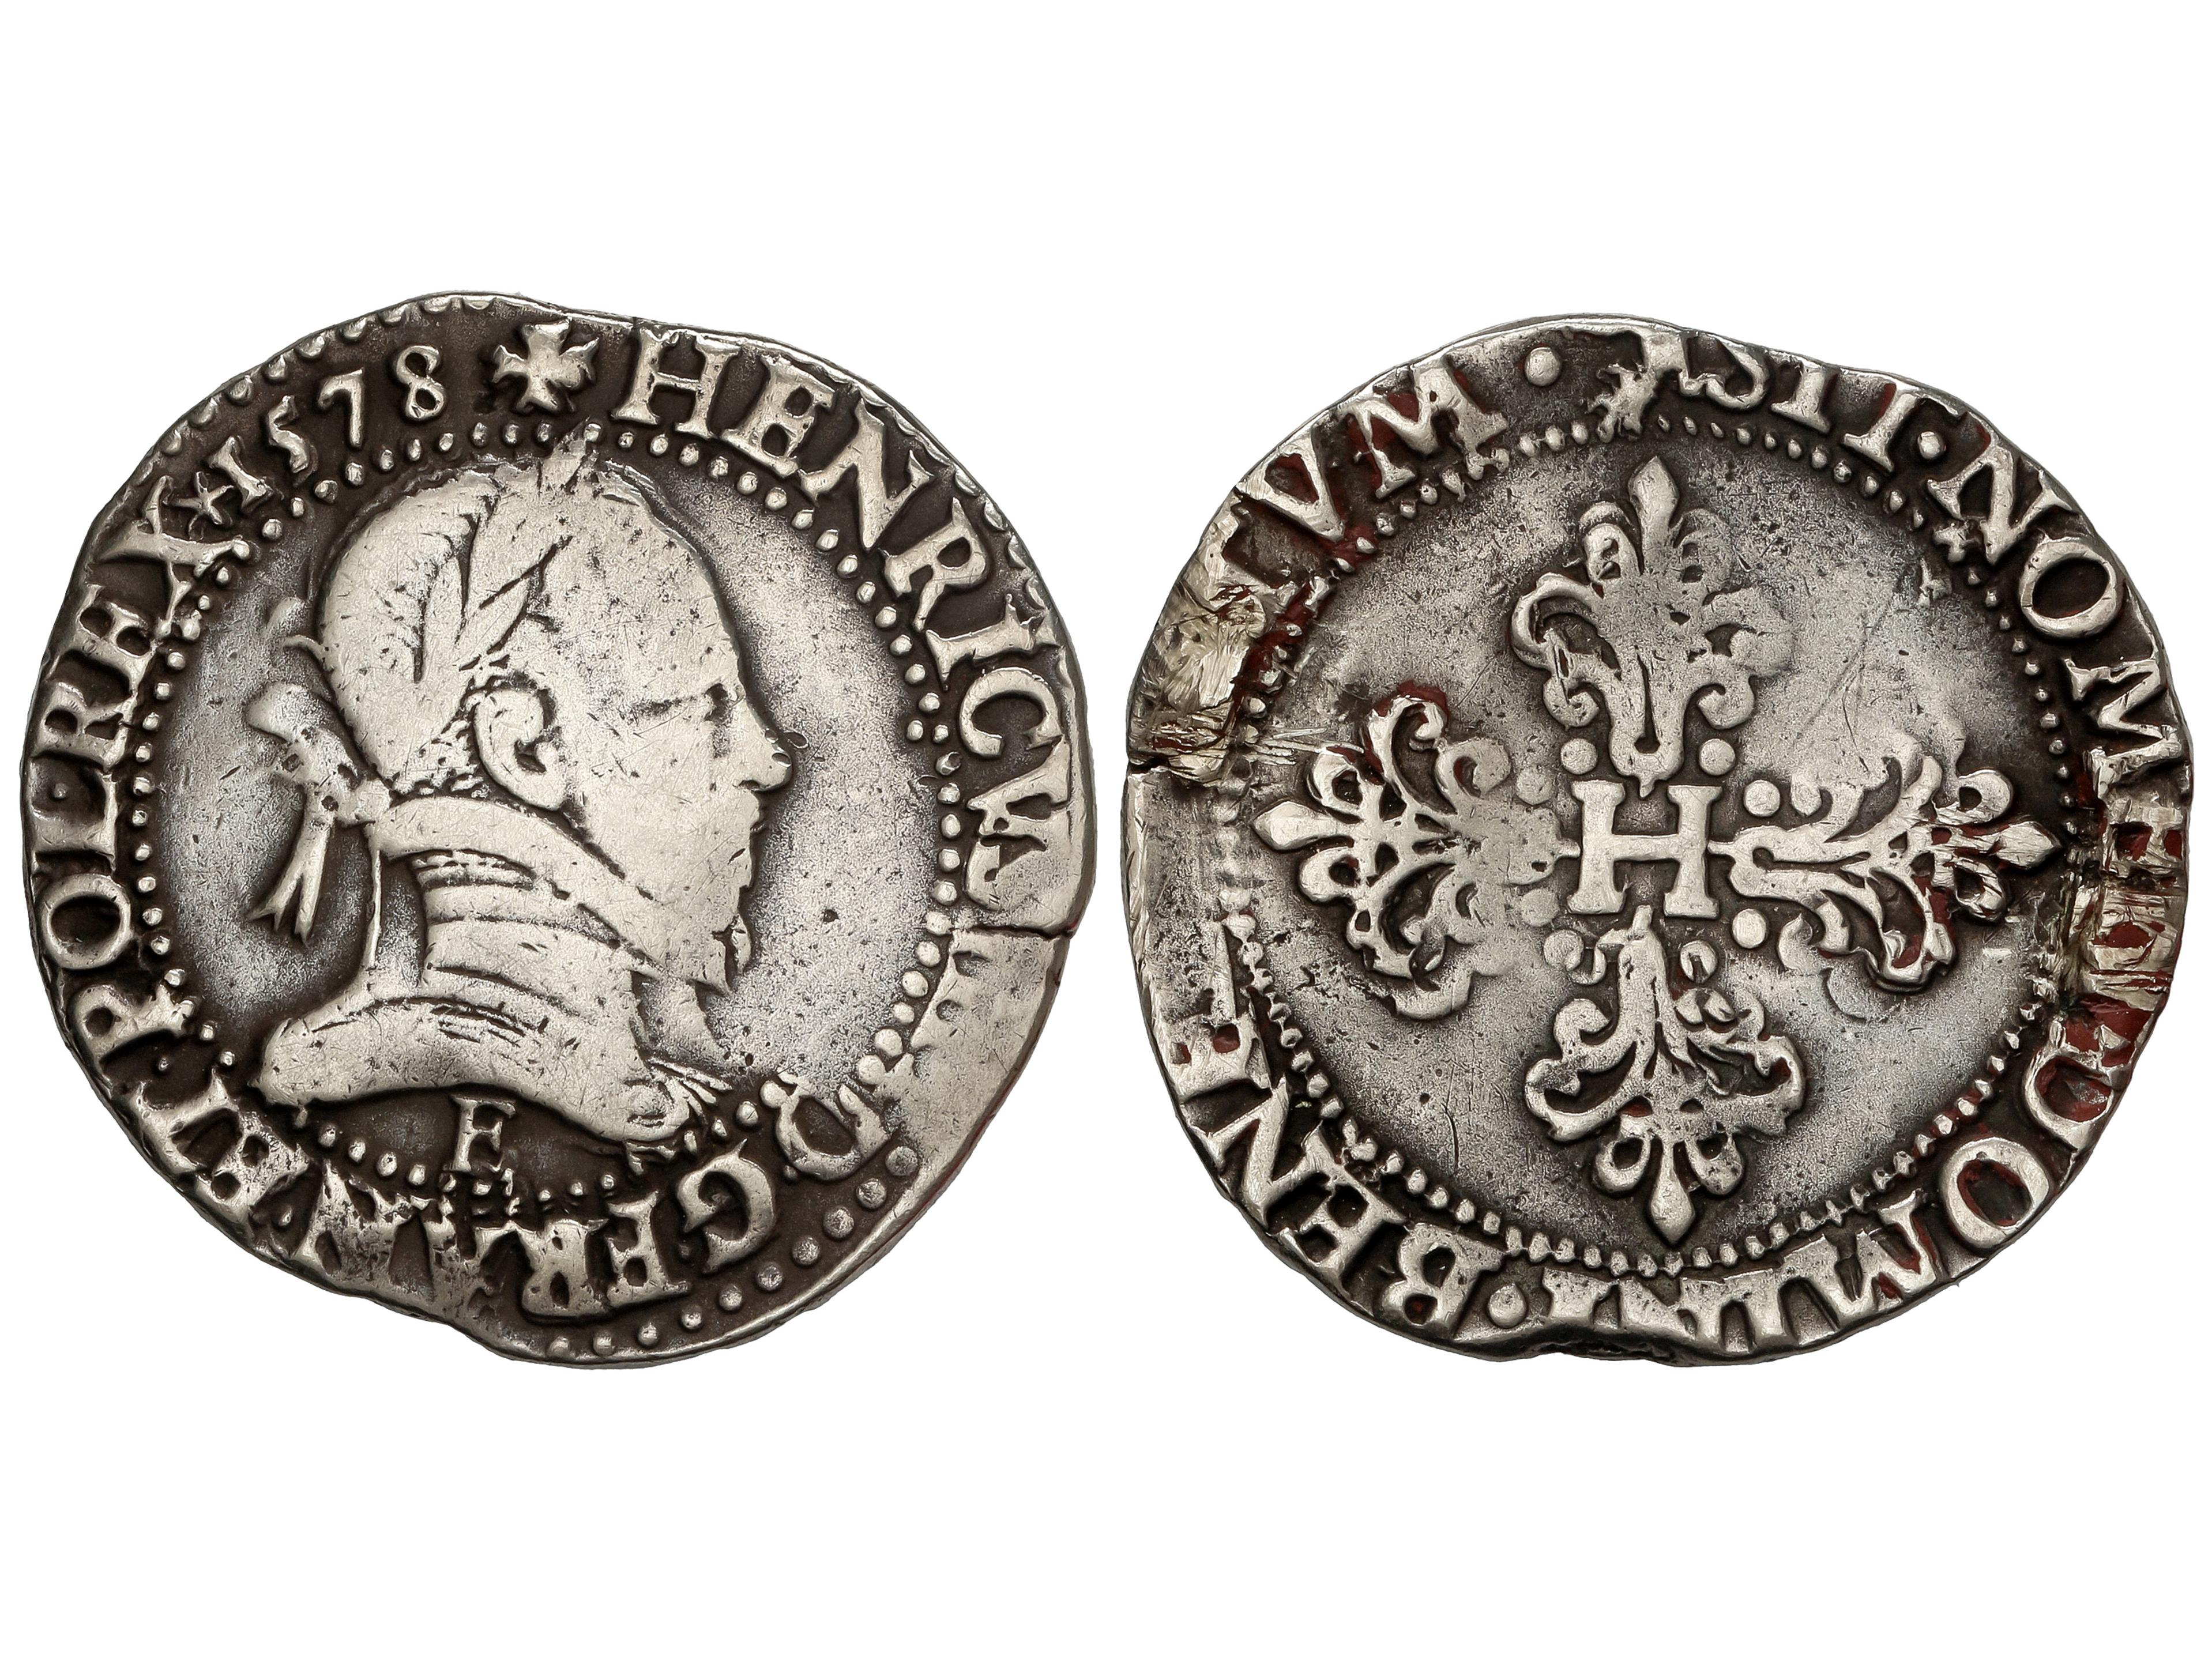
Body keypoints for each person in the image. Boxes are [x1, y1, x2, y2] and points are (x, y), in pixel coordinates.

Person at [247, 436, 791, 1148]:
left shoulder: (650, 1073)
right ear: (524, 750)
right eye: (702, 708)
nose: (770, 761)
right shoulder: (476, 1076)